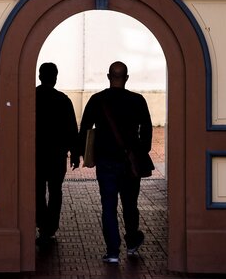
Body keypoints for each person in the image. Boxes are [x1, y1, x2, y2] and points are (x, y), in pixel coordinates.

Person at [77, 61, 152, 264]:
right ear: (126, 78)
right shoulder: (138, 101)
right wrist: (140, 152)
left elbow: (84, 128)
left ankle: (112, 251)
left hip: (106, 161)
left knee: (108, 206)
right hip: (129, 162)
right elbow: (146, 131)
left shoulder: (97, 100)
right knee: (130, 204)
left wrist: (81, 154)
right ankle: (131, 241)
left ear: (109, 76)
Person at [35, 63, 78, 245]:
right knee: (55, 191)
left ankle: (42, 224)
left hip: (36, 154)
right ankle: (50, 227)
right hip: (56, 154)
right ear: (55, 77)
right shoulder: (63, 100)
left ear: (39, 76)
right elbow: (71, 129)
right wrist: (75, 153)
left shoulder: (31, 97)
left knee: (37, 191)